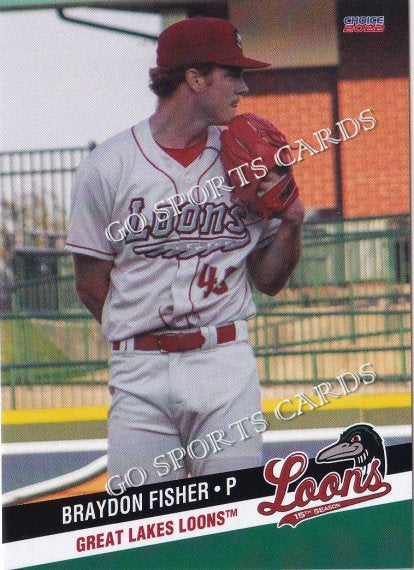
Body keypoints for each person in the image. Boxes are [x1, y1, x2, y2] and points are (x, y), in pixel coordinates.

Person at [65, 16, 305, 486]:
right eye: (232, 74)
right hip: (140, 374)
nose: (243, 87)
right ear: (194, 78)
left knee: (229, 522)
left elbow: (270, 280)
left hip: (224, 366)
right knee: (145, 531)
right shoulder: (108, 166)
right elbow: (91, 285)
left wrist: (292, 223)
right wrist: (145, 333)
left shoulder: (245, 158)